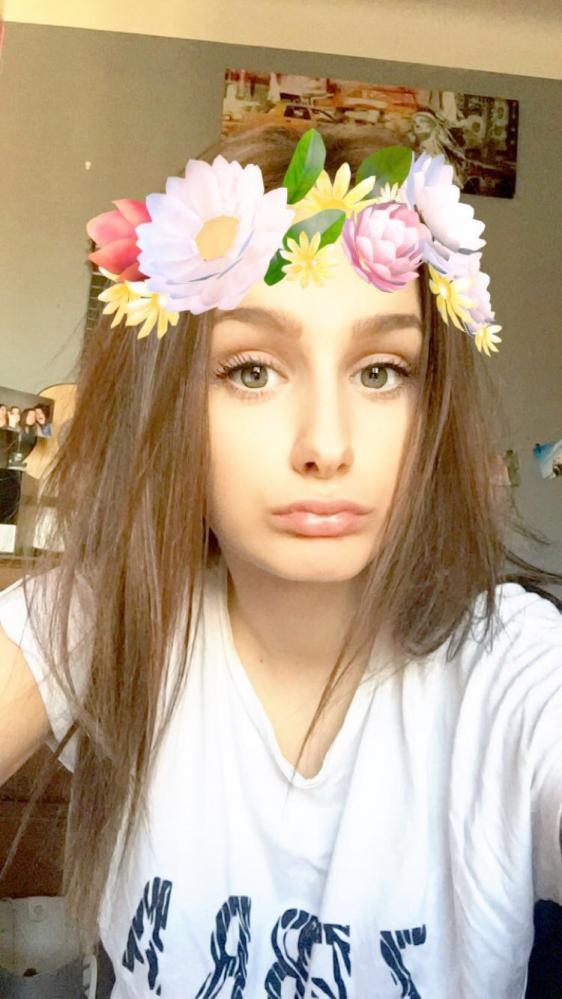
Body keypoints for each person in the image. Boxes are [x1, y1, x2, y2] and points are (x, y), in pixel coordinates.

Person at [0, 128, 560, 997]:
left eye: (382, 371)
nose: (326, 445)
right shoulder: (109, 615)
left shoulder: (514, 667)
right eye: (253, 370)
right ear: (171, 404)